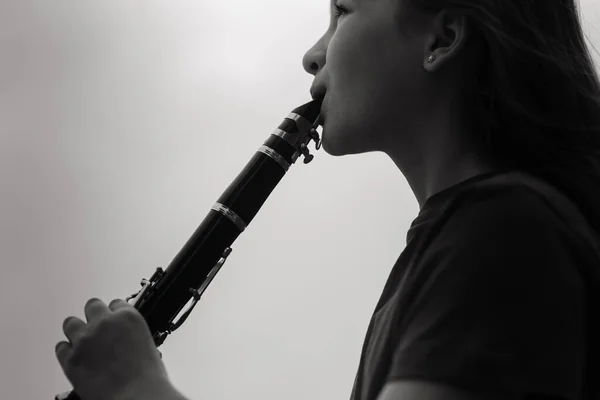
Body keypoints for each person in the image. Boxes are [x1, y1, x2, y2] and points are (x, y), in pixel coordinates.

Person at [56, 1, 600, 400]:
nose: (312, 56)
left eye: (343, 11)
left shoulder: (501, 232)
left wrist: (135, 387)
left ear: (443, 37)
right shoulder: (461, 239)